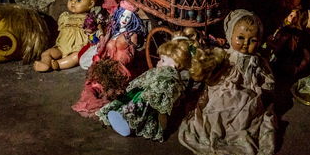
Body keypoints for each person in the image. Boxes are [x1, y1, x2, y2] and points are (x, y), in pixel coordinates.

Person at [178, 9, 277, 155]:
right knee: (219, 106)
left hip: (249, 91)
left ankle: (237, 130)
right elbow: (215, 70)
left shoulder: (257, 61)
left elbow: (267, 76)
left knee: (248, 111)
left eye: (252, 40)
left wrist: (266, 88)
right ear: (230, 35)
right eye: (240, 38)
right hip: (224, 88)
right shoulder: (227, 56)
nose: (245, 44)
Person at [97, 28, 227, 141]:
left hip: (150, 99)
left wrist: (162, 125)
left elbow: (162, 105)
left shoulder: (168, 79)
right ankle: (122, 116)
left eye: (163, 60)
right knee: (132, 101)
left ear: (175, 65)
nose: (159, 63)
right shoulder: (163, 73)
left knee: (141, 109)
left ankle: (127, 123)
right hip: (145, 92)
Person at [34, 0, 107, 72]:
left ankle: (59, 64)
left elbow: (99, 29)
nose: (73, 3)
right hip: (61, 47)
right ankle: (45, 62)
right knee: (47, 52)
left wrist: (100, 36)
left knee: (76, 57)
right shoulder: (65, 17)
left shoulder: (90, 19)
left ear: (91, 4)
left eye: (79, 1)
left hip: (78, 48)